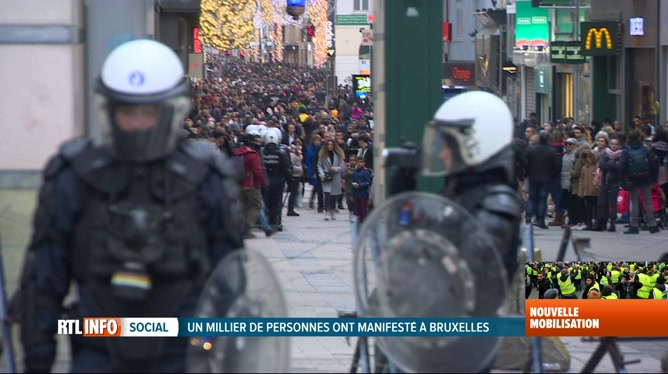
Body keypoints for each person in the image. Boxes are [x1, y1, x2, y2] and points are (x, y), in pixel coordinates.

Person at [13, 40, 245, 372]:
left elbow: (231, 283)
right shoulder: (74, 176)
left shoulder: (206, 177)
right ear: (109, 110)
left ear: (171, 112)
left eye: (148, 113)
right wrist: (37, 361)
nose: (137, 124)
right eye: (127, 113)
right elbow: (43, 283)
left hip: (182, 353)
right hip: (97, 349)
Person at [389, 91, 522, 372]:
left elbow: (462, 278)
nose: (441, 153)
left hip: (462, 343)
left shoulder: (496, 205)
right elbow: (413, 241)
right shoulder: (461, 195)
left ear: (473, 145)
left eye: (447, 144)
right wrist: (403, 196)